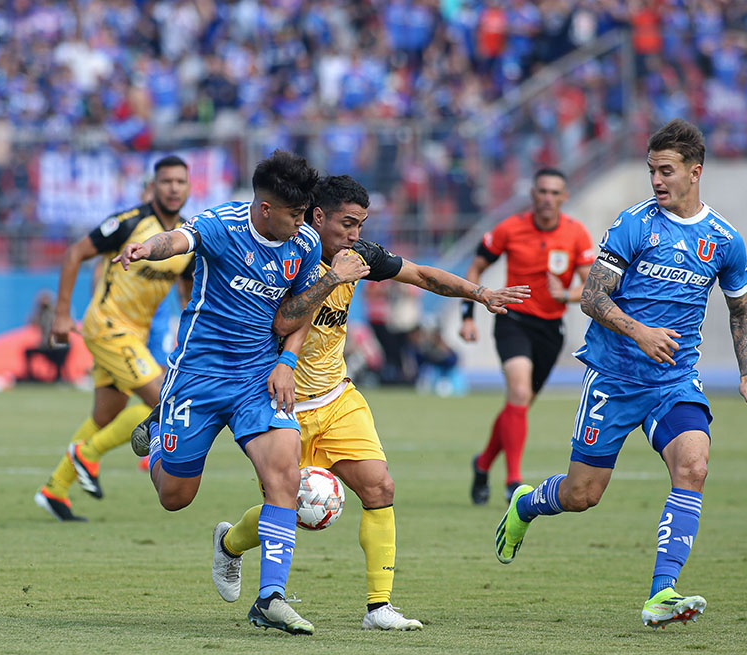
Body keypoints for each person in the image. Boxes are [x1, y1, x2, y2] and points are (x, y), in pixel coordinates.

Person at [208, 175, 530, 631]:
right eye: (347, 224)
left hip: (338, 397)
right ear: (317, 216)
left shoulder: (360, 255)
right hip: (279, 402)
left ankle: (379, 607)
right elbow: (282, 322)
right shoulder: (280, 258)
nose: (356, 234)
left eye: (361, 224)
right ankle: (230, 546)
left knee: (380, 488)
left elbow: (420, 274)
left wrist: (480, 293)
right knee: (290, 508)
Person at [494, 119, 747, 628]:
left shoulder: (725, 240)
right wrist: (641, 332)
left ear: (696, 172)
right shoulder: (635, 224)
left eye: (666, 171)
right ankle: (526, 504)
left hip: (674, 381)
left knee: (693, 467)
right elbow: (591, 296)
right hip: (614, 379)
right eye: (651, 171)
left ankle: (661, 593)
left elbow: (741, 310)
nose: (657, 181)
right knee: (583, 495)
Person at [120, 151, 369, 635]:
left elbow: (298, 312)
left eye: (305, 216)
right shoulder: (222, 225)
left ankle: (270, 598)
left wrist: (286, 361)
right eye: (294, 215)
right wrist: (145, 249)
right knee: (175, 496)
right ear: (264, 209)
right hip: (199, 375)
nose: (303, 225)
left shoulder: (303, 242)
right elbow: (177, 239)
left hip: (258, 379)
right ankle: (157, 438)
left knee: (285, 476)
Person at [34, 155, 194, 522]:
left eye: (180, 182)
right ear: (153, 187)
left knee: (106, 414)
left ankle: (55, 489)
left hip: (134, 334)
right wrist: (61, 314)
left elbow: (188, 295)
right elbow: (75, 253)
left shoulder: (185, 236)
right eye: (166, 181)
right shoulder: (129, 222)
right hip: (107, 325)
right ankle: (88, 454)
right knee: (165, 400)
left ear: (188, 188)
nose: (173, 188)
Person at [460, 168, 595, 505]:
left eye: (555, 193)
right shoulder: (509, 228)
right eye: (542, 191)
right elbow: (475, 269)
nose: (548, 198)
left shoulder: (576, 234)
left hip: (551, 329)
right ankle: (513, 481)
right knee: (518, 391)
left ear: (564, 198)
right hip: (513, 320)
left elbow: (592, 287)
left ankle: (482, 463)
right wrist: (468, 315)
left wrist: (565, 294)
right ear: (533, 195)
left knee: (517, 406)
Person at [23, 291, 69, 383]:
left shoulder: (55, 312)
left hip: (57, 346)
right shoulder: (41, 313)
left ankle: (59, 376)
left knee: (61, 352)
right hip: (46, 346)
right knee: (28, 352)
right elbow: (31, 322)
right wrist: (37, 309)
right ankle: (31, 376)